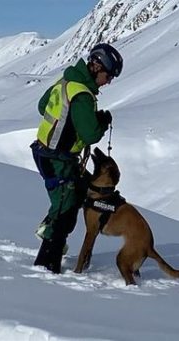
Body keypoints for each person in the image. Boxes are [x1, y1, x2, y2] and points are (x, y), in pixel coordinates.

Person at [30, 42, 123, 273]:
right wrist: (100, 121)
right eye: (108, 75)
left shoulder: (66, 81)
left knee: (71, 198)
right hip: (58, 158)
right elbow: (90, 134)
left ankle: (50, 231)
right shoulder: (82, 94)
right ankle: (46, 265)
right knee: (64, 210)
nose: (109, 81)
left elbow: (43, 107)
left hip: (43, 151)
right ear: (96, 67)